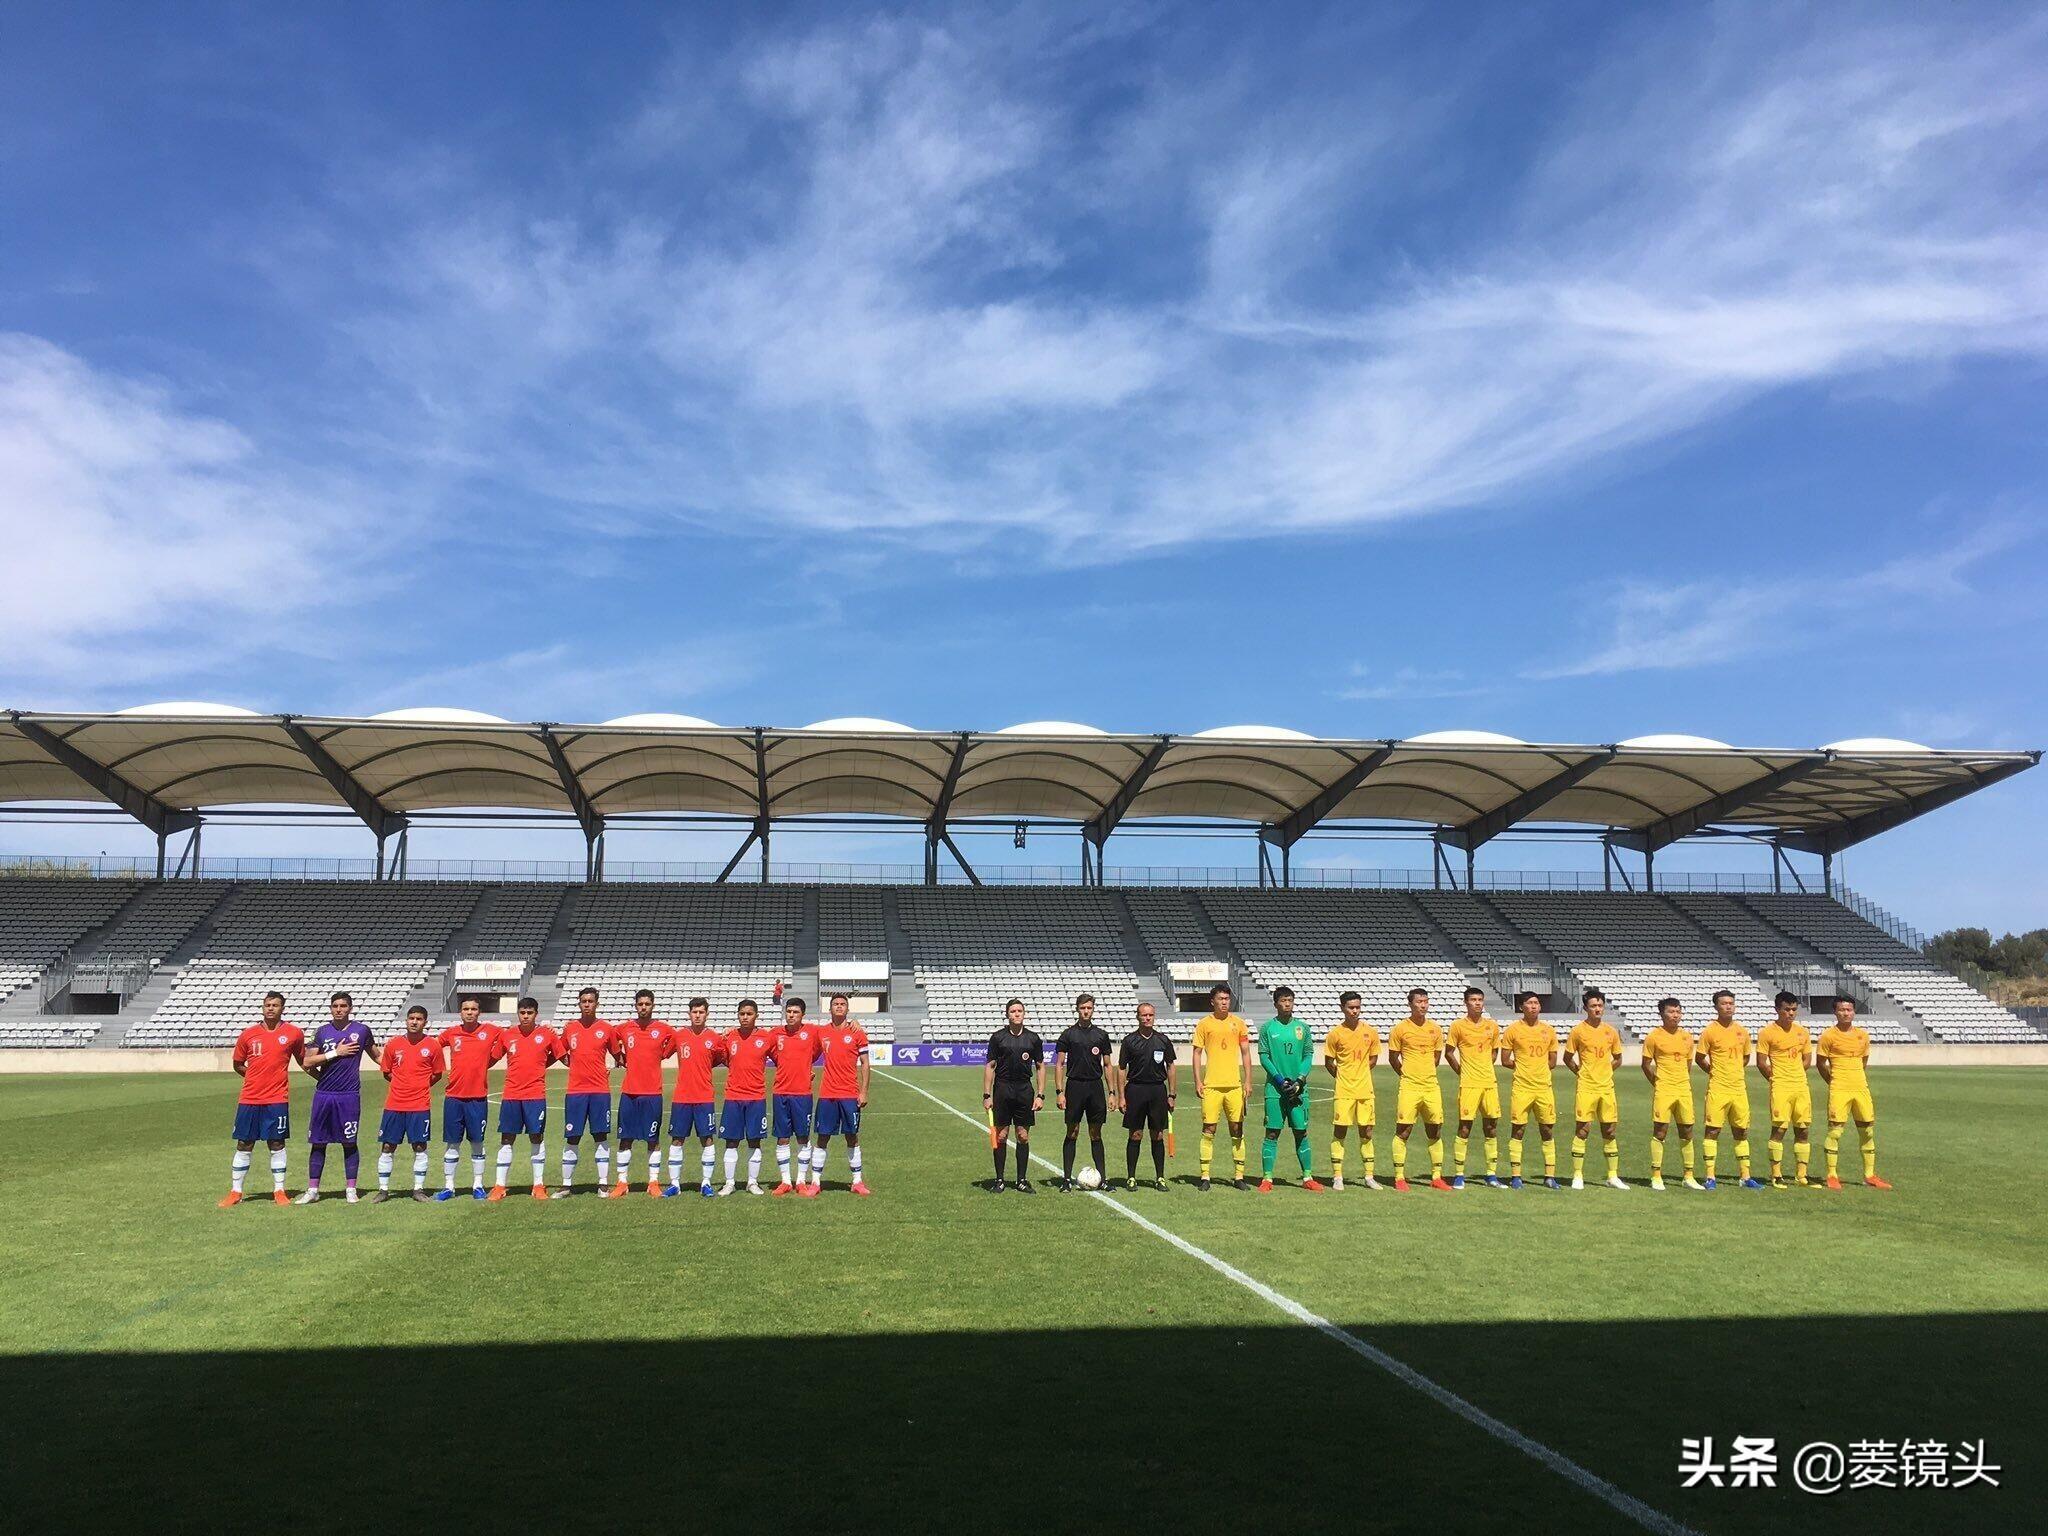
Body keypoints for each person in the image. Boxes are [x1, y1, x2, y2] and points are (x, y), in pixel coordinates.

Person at [220, 990, 305, 1207]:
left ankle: (279, 1190)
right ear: (263, 1007)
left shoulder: (294, 1033)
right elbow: (238, 1064)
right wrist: (255, 1078)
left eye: (275, 1005)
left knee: (276, 1143)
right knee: (244, 1143)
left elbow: (303, 1060)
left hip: (277, 1098)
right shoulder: (248, 1034)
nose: (270, 1008)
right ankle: (236, 1192)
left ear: (282, 1008)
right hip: (249, 1098)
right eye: (267, 1005)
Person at [298, 990, 376, 1204]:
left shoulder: (361, 1031)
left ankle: (351, 1189)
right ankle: (313, 1190)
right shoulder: (322, 1032)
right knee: (318, 1143)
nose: (339, 1010)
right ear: (331, 1008)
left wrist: (399, 1072)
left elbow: (378, 1056)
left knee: (349, 1142)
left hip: (349, 1096)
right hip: (324, 1095)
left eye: (343, 1006)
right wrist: (335, 1053)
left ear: (350, 1008)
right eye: (335, 1006)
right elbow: (307, 1062)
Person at [1816, 999, 1890, 1190]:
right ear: (1835, 1012)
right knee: (1835, 1131)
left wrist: (1855, 1078)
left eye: (1849, 1009)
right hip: (1839, 1088)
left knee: (1867, 1131)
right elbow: (1821, 1063)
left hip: (1860, 1088)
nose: (1846, 1013)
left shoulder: (1862, 1036)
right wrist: (1833, 1081)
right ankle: (1832, 1175)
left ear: (1854, 1012)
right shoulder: (1828, 1036)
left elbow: (1863, 1061)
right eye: (1841, 1010)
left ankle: (1869, 1175)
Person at [489, 997, 558, 1201]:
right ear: (518, 1013)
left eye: (529, 1013)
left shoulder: (546, 1034)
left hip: (535, 1095)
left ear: (536, 1014)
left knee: (536, 1137)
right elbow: (492, 1058)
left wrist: (543, 1062)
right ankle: (500, 1186)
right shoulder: (507, 1035)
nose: (526, 1016)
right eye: (522, 1013)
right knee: (507, 1138)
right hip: (511, 1095)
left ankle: (538, 1185)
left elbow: (559, 1054)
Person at [1257, 986, 1323, 1192]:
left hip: (1299, 1090)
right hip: (1275, 1090)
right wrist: (1279, 1080)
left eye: (1290, 1000)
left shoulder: (1303, 1028)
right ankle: (1267, 1179)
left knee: (1301, 1132)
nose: (1287, 1004)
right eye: (1283, 1000)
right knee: (1272, 1133)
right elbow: (1264, 1057)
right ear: (1276, 1003)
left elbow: (1308, 1055)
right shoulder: (1267, 1028)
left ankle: (1307, 1177)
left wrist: (1300, 1080)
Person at [436, 997, 501, 1201]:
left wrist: (490, 1060)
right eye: (466, 1009)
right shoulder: (451, 1033)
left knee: (477, 1142)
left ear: (479, 1012)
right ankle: (449, 1187)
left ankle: (478, 1185)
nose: (470, 1012)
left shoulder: (491, 1031)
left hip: (477, 1098)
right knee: (452, 1144)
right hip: (454, 1097)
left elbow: (511, 1038)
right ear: (460, 1012)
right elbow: (432, 1047)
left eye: (473, 1009)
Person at [1695, 989, 1761, 1189]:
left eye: (1731, 1003)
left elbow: (1746, 1057)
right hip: (1718, 1088)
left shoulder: (1742, 1031)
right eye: (1724, 1003)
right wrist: (1714, 1071)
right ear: (1716, 1006)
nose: (1728, 1007)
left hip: (1739, 1089)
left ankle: (1745, 1176)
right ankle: (1710, 1177)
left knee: (1741, 1131)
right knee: (1712, 1130)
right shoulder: (1710, 1031)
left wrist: (1734, 1071)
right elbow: (1700, 1057)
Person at [1386, 987, 1450, 1191]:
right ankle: (1399, 1177)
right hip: (1409, 1087)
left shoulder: (1436, 1029)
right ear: (1410, 1004)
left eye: (1425, 1001)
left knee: (1435, 1129)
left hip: (1431, 1087)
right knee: (1403, 1130)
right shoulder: (1400, 1029)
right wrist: (1407, 1075)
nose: (1423, 1005)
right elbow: (1393, 1058)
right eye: (1419, 1002)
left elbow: (1436, 1058)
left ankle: (1436, 1177)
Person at [1563, 989, 1628, 1190]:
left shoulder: (1611, 1032)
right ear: (1585, 1008)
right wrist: (1581, 1072)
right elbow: (1567, 1058)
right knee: (1583, 1130)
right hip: (1586, 1088)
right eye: (1593, 1006)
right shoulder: (1578, 1031)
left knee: (1609, 1130)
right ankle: (1577, 1175)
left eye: (1600, 1005)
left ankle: (1612, 1176)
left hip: (1606, 1088)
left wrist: (1606, 1071)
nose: (1597, 1009)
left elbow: (1618, 1058)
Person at [613, 989, 675, 1198]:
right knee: (625, 1138)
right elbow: (609, 1038)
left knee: (653, 1139)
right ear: (635, 1006)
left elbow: (676, 1041)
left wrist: (664, 1053)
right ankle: (622, 1182)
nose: (643, 1007)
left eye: (647, 1004)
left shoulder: (663, 1029)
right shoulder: (625, 1028)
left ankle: (653, 1182)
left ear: (653, 1005)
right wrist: (619, 1057)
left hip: (652, 1093)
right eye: (640, 1004)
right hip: (629, 1092)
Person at [1189, 983, 1252, 1190]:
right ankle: (1205, 1176)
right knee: (1209, 1129)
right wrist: (1198, 1080)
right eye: (1221, 999)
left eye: (1227, 999)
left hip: (1234, 1086)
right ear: (1212, 1001)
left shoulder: (1239, 1024)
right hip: (1212, 1086)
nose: (1224, 1002)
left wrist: (1248, 1080)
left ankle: (1239, 1176)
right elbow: (1197, 1053)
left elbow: (1245, 1053)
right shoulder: (1204, 1024)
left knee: (1237, 1129)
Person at [375, 1006, 441, 1202]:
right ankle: (383, 1190)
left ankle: (418, 1189)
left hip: (419, 1106)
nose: (414, 1022)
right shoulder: (394, 1044)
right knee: (388, 1146)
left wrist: (419, 1086)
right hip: (394, 1105)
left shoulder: (433, 1046)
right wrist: (401, 1086)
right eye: (411, 1018)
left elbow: (437, 1074)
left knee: (419, 1146)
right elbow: (387, 1072)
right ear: (406, 1021)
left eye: (419, 1019)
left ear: (425, 1022)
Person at [556, 987, 617, 1197]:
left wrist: (611, 1066)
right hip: (576, 1092)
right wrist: (572, 1065)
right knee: (573, 1137)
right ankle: (566, 1185)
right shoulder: (570, 1028)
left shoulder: (607, 1029)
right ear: (579, 1004)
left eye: (591, 1001)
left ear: (597, 1004)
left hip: (599, 1091)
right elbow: (561, 1052)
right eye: (584, 1001)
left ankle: (603, 1184)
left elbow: (617, 1054)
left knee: (600, 1135)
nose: (587, 1004)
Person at [811, 993, 872, 1196]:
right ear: (830, 1008)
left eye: (842, 1004)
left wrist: (864, 1091)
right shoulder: (821, 1032)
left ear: (847, 1009)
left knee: (852, 1136)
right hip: (827, 1094)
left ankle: (857, 1181)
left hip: (849, 1094)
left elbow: (865, 1063)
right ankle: (815, 1182)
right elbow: (808, 1054)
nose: (839, 1006)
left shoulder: (857, 1033)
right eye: (835, 1004)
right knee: (823, 1137)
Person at [664, 996, 725, 1197]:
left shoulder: (714, 1038)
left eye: (701, 1012)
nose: (697, 1015)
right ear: (689, 1014)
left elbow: (720, 1059)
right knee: (677, 1140)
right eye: (694, 1012)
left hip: (704, 1097)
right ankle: (674, 1184)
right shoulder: (679, 1035)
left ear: (707, 1014)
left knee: (707, 1139)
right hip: (681, 1097)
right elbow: (663, 1053)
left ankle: (706, 1183)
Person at [983, 998, 1045, 1192]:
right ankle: (1000, 1180)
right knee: (1001, 1136)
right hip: (1002, 1089)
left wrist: (1040, 1095)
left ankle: (1021, 1180)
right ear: (1007, 1015)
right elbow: (990, 1066)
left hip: (1024, 1090)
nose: (1016, 1014)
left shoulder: (1033, 1038)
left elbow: (1040, 1066)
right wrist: (987, 1095)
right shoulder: (998, 1038)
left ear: (1024, 1014)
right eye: (1013, 1011)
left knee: (1023, 1136)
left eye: (1019, 1011)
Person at [1755, 991, 1816, 1187]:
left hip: (1801, 1086)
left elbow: (1807, 1059)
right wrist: (1776, 1079)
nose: (1791, 1013)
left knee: (1803, 1130)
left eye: (1794, 1009)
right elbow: (1761, 1062)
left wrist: (1795, 1074)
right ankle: (1776, 1175)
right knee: (1779, 1129)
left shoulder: (1802, 1032)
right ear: (1777, 1009)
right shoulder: (1767, 1032)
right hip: (1781, 1087)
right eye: (1787, 1009)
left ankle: (1801, 1175)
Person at [1054, 992, 1113, 1191]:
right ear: (1077, 1009)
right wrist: (1060, 1091)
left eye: (1089, 1008)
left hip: (1095, 1087)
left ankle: (1103, 1179)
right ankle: (1066, 1180)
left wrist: (1112, 1092)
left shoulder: (1101, 1035)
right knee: (1072, 1132)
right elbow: (1060, 1064)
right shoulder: (1068, 1034)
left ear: (1093, 1009)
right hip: (1075, 1086)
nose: (1086, 1011)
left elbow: (1107, 1065)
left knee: (1096, 1133)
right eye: (1082, 1008)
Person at [1642, 998, 1702, 1191]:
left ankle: (1688, 1176)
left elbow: (1688, 1064)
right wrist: (1658, 1082)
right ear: (1662, 1014)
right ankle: (1656, 1176)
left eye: (1678, 1011)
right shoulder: (1654, 1037)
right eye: (1671, 1012)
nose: (1675, 1015)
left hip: (1683, 1090)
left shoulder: (1687, 1037)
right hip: (1664, 1090)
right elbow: (1646, 1064)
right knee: (1660, 1130)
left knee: (1687, 1131)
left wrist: (1681, 1081)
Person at [1446, 986, 1503, 1189]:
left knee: (1491, 1127)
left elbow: (1495, 1051)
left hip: (1489, 1084)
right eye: (1473, 1000)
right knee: (1464, 1127)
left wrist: (1485, 1067)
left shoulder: (1492, 1026)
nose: (1477, 1003)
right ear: (1466, 1003)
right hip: (1469, 1084)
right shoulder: (1457, 1026)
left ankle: (1491, 1174)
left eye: (1480, 999)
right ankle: (1459, 1175)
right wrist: (1462, 1071)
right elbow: (1449, 1052)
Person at [1322, 990, 1380, 1190]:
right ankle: (1337, 1176)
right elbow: (1329, 1062)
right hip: (1344, 1091)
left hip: (1365, 1090)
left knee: (1367, 1132)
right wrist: (1343, 1077)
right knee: (1340, 1131)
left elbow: (1373, 1058)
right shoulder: (1335, 1034)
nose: (1355, 1011)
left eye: (1357, 1007)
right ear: (1342, 1008)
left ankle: (1369, 1176)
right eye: (1351, 1007)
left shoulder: (1370, 1032)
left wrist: (1360, 1073)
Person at [1500, 993, 1559, 1189]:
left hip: (1543, 1088)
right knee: (1518, 1129)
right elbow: (1505, 1060)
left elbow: (1552, 1061)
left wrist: (1538, 1071)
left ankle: (1549, 1176)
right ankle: (1516, 1176)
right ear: (1521, 1007)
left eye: (1536, 1003)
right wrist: (1523, 1069)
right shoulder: (1513, 1030)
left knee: (1547, 1129)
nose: (1533, 1006)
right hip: (1522, 1088)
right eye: (1529, 1003)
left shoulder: (1548, 1031)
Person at [1115, 1002, 1176, 1190]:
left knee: (1157, 1134)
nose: (1147, 1018)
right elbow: (1122, 1068)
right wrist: (1121, 1096)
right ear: (1138, 1017)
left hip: (1157, 1091)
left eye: (1150, 1015)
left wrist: (1172, 1094)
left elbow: (1171, 1066)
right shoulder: (1129, 1041)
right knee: (1135, 1134)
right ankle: (1131, 1177)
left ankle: (1160, 1178)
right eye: (1144, 1015)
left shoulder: (1163, 1040)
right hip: (1135, 1090)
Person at [719, 999, 775, 1195]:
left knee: (754, 1140)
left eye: (749, 1014)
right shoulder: (729, 1037)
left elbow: (782, 1058)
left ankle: (752, 1182)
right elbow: (723, 1059)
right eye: (742, 1014)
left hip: (756, 1097)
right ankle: (729, 1183)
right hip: (733, 1096)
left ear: (756, 1016)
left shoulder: (766, 1037)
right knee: (731, 1141)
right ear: (737, 1015)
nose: (745, 1017)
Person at [768, 998, 823, 1197]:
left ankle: (800, 1181)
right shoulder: (775, 1033)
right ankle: (785, 1181)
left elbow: (827, 1040)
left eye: (795, 1012)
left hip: (802, 1094)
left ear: (803, 1015)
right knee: (782, 1138)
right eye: (789, 1011)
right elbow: (766, 1048)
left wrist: (853, 1023)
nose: (791, 1015)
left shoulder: (813, 1032)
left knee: (802, 1137)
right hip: (780, 1092)